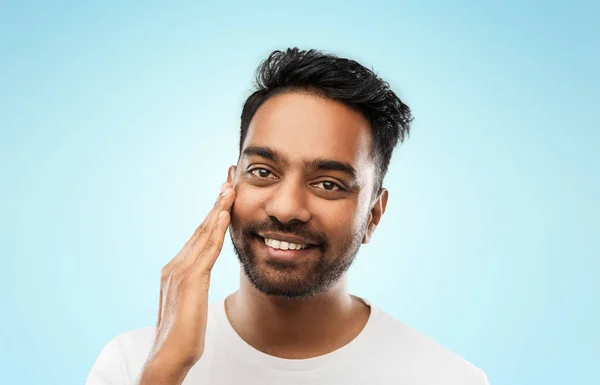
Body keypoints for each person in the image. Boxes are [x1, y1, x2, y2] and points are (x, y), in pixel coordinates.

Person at [86, 48, 489, 385]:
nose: (286, 208)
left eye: (328, 184)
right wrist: (166, 371)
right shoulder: (132, 364)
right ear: (230, 184)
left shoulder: (445, 377)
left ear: (373, 214)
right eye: (263, 172)